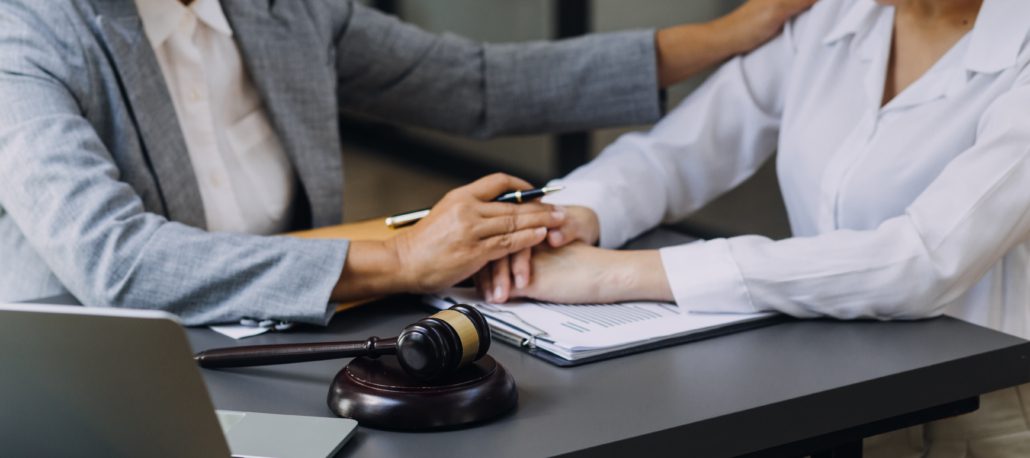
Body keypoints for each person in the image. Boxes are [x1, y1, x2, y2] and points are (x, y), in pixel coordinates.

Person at [0, 0, 815, 325]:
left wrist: (730, 35)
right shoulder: (28, 32)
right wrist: (400, 255)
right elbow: (116, 261)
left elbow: (478, 86)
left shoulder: (281, 8)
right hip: (104, 370)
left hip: (276, 335)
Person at [483, 0, 1030, 455]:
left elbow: (921, 261)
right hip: (833, 385)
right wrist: (559, 220)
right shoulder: (836, 15)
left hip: (979, 412)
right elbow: (677, 153)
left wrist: (617, 275)